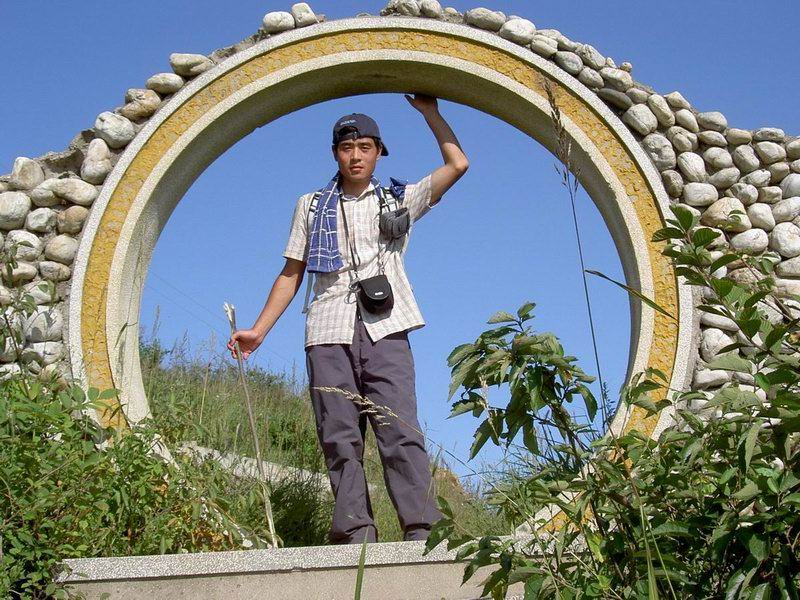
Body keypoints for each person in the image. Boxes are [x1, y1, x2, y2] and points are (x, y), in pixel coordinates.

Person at [227, 93, 469, 545]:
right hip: (327, 328)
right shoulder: (310, 205)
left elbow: (457, 164)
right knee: (339, 437)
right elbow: (292, 272)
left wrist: (430, 113)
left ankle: (424, 534)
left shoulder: (398, 198)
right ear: (335, 153)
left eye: (365, 147)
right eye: (346, 147)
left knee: (399, 430)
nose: (355, 156)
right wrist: (258, 331)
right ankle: (356, 536)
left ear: (378, 152)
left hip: (386, 325)